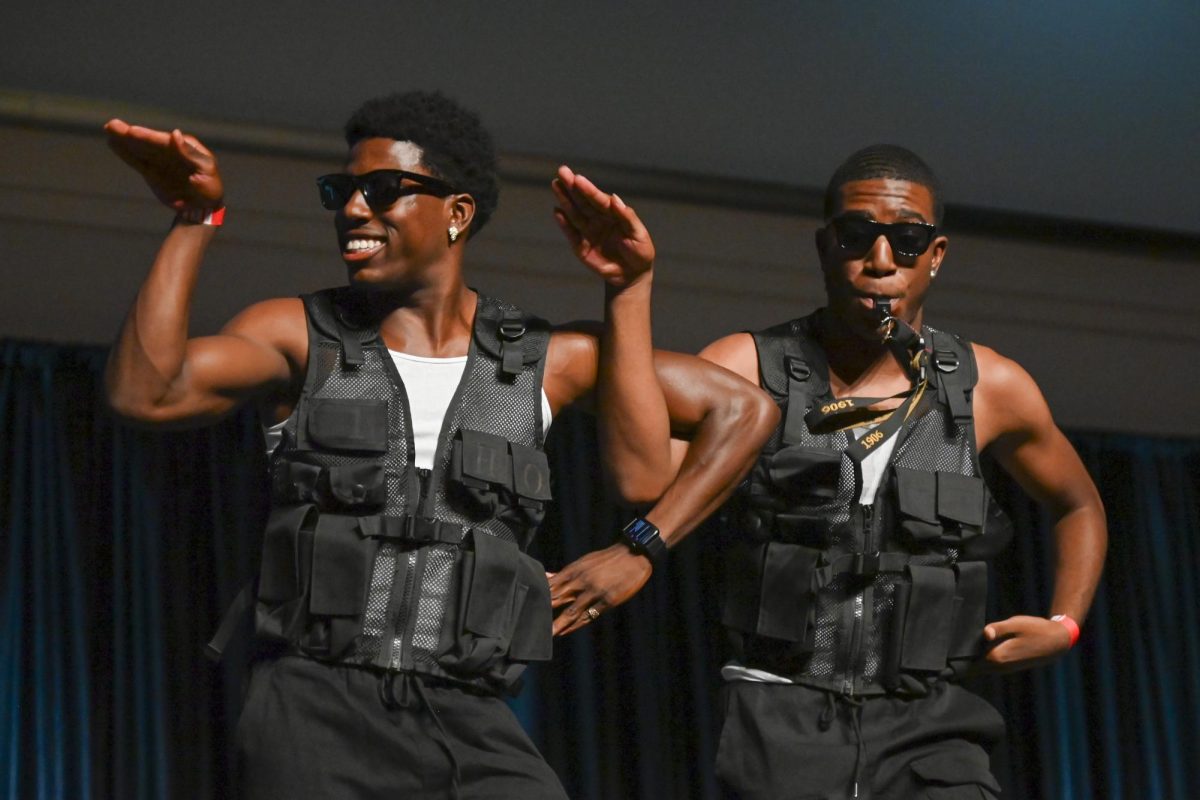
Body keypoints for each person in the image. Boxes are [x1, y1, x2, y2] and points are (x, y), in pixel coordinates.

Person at [103, 90, 778, 799]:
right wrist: (193, 219)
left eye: (384, 190)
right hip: (314, 706)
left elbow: (739, 413)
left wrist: (638, 549)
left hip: (469, 717)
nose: (354, 211)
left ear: (457, 214)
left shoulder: (543, 359)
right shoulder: (298, 334)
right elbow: (144, 392)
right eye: (343, 191)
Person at [548, 144, 1107, 798]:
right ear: (824, 246)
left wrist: (1065, 624)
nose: (879, 261)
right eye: (856, 236)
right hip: (779, 714)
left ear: (936, 254)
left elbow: (1080, 505)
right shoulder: (748, 365)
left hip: (932, 724)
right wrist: (628, 291)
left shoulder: (990, 386)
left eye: (905, 240)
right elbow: (642, 481)